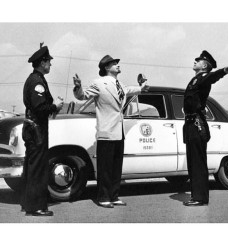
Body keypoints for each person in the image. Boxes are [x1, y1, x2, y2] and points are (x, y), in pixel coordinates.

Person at [73, 55, 149, 208]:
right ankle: (103, 197)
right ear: (107, 67)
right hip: (106, 131)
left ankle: (114, 196)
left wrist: (141, 87)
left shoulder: (120, 83)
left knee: (116, 166)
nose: (117, 65)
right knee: (105, 167)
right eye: (114, 64)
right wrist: (78, 87)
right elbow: (83, 96)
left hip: (119, 131)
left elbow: (129, 90)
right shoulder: (99, 83)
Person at [183, 50, 228, 206]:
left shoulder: (204, 78)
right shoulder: (195, 79)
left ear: (204, 65)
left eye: (198, 60)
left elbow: (212, 77)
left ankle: (200, 198)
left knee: (198, 162)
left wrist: (223, 72)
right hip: (190, 124)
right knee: (193, 162)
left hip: (197, 124)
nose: (195, 61)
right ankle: (196, 196)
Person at [21, 43, 64, 216]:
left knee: (32, 166)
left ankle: (29, 202)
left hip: (34, 128)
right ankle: (37, 206)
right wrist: (55, 106)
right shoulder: (37, 81)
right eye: (48, 61)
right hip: (36, 129)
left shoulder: (35, 79)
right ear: (42, 62)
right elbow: (40, 108)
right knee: (37, 167)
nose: (50, 64)